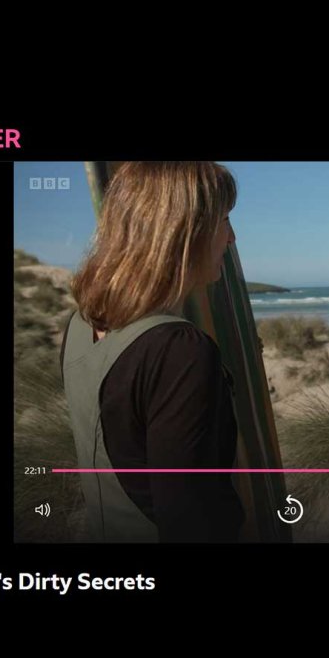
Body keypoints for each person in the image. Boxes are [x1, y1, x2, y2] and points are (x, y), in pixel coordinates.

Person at [61, 161, 245, 543]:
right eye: (224, 219)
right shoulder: (178, 352)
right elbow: (190, 519)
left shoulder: (79, 325)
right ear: (185, 231)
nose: (232, 238)